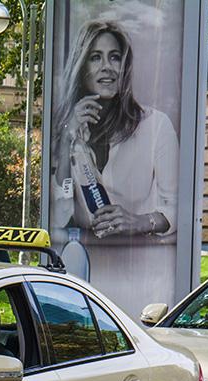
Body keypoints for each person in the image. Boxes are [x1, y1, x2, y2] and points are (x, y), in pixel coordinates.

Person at [49, 20, 179, 309]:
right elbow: (59, 213)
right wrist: (67, 139)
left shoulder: (156, 126)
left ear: (124, 66)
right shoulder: (64, 130)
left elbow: (176, 208)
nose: (106, 67)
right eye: (95, 57)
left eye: (114, 57)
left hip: (142, 280)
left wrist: (140, 221)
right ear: (82, 67)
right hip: (80, 279)